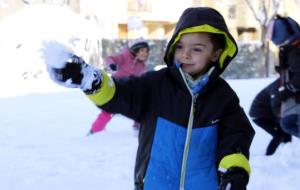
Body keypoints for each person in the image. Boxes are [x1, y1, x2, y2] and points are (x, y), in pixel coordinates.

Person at [44, 7, 255, 190]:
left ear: (216, 54)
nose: (185, 54)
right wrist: (91, 80)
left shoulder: (223, 96)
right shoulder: (157, 85)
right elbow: (122, 93)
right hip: (156, 184)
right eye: (180, 46)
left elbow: (235, 134)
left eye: (197, 49)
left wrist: (234, 169)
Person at [249, 15, 300, 155]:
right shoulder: (277, 87)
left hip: (270, 110)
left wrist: (288, 90)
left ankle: (280, 156)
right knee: (282, 129)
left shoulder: (294, 52)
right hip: (259, 114)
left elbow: (297, 75)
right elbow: (276, 103)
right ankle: (273, 157)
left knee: (286, 125)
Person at [89, 40, 150, 134]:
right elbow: (110, 58)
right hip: (116, 88)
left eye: (146, 51)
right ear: (135, 50)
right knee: (108, 112)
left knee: (139, 106)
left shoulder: (142, 66)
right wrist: (112, 64)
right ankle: (95, 131)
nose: (145, 53)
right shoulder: (125, 57)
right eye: (142, 50)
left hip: (129, 90)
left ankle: (137, 127)